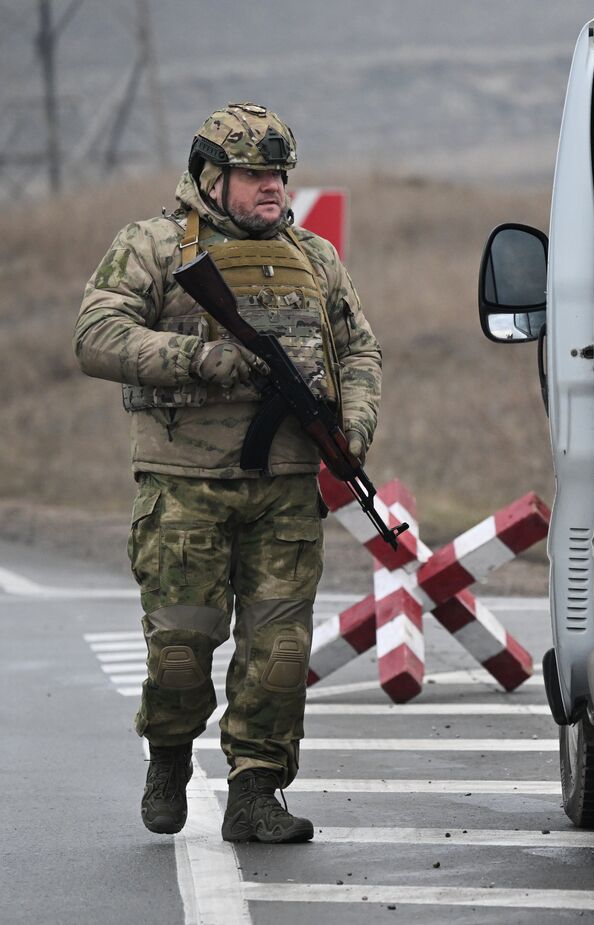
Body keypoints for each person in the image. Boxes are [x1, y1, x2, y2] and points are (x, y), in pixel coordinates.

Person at [74, 102, 383, 843]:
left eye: (280, 174)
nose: (273, 186)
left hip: (285, 489)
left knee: (280, 653)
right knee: (181, 648)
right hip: (184, 487)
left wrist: (355, 426)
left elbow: (359, 350)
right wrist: (198, 358)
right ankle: (169, 755)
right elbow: (97, 334)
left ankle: (256, 790)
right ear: (210, 178)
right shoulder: (153, 245)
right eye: (254, 175)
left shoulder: (314, 257)